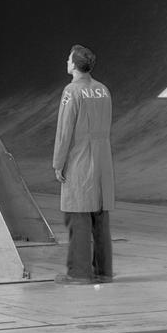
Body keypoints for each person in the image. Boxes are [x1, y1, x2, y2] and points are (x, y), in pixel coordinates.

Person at [52, 44, 114, 283]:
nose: (66, 61)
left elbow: (64, 130)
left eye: (68, 58)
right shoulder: (103, 90)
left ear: (75, 65)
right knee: (100, 218)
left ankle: (79, 273)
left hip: (80, 159)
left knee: (78, 217)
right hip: (102, 160)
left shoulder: (71, 91)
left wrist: (59, 162)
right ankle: (103, 271)